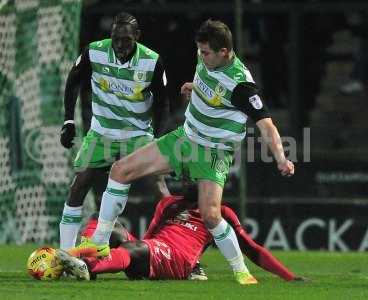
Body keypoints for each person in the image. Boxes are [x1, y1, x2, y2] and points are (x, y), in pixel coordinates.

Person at [70, 19, 294, 284]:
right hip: (184, 139)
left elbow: (267, 125)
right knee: (120, 171)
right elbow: (210, 86)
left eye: (206, 52)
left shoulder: (242, 86)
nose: (201, 55)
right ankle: (99, 244)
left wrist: (281, 159)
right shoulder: (207, 59)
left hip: (213, 152)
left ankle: (241, 271)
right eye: (199, 50)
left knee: (211, 215)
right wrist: (195, 89)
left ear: (224, 51)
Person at [59, 12, 169, 251]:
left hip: (138, 134)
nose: (120, 45)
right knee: (79, 185)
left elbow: (162, 104)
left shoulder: (151, 61)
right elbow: (73, 80)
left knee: (158, 187)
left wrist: (157, 139)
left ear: (137, 37)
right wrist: (68, 120)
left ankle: (184, 252)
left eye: (126, 40)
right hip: (102, 133)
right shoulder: (95, 51)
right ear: (111, 36)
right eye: (116, 39)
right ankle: (65, 253)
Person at [57, 191, 300, 282]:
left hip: (179, 260)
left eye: (190, 175)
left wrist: (289, 276)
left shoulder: (219, 213)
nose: (183, 177)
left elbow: (252, 249)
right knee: (104, 219)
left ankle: (87, 268)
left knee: (135, 249)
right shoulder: (170, 204)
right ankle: (82, 258)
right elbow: (149, 238)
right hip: (154, 250)